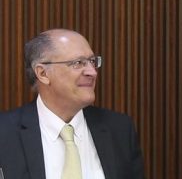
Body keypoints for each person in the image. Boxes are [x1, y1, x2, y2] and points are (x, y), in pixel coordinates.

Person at [0, 29, 145, 178]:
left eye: (92, 61)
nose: (92, 72)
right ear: (43, 74)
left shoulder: (119, 129)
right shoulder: (5, 132)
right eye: (78, 63)